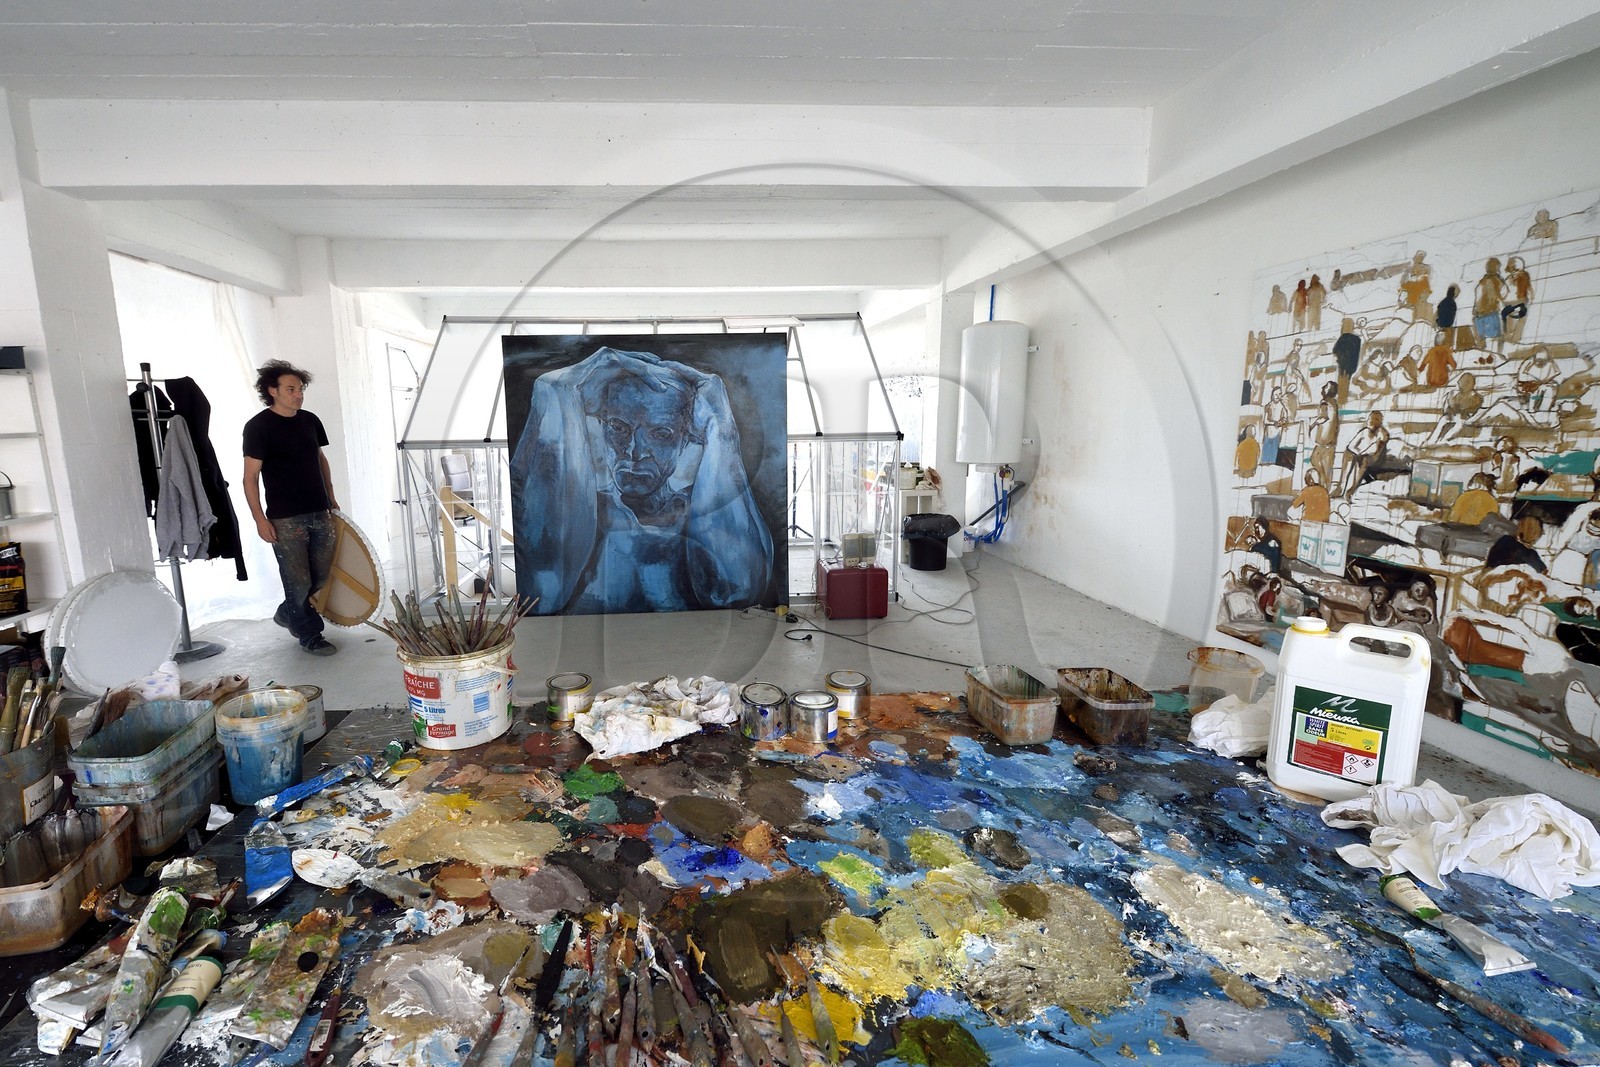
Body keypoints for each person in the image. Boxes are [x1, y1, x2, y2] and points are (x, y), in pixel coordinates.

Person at [511, 347, 773, 615]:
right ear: (601, 426)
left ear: (685, 440)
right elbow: (541, 596)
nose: (635, 451)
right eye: (618, 427)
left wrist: (720, 428)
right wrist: (555, 392)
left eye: (660, 433)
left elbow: (736, 593)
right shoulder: (579, 509)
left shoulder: (704, 513)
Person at [242, 360, 339, 656]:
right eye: (291, 389)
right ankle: (309, 634)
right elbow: (250, 477)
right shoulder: (258, 427)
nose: (298, 395)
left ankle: (288, 612)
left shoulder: (310, 420)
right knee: (297, 580)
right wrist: (260, 519)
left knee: (321, 576)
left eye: (300, 389)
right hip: (285, 518)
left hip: (319, 510)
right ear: (272, 390)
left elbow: (320, 459)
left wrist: (331, 496)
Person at [1334, 410, 1389, 499]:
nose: (1372, 421)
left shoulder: (1379, 436)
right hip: (1352, 453)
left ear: (1380, 423)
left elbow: (1385, 438)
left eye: (1376, 419)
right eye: (1370, 419)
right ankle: (1340, 488)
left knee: (1364, 461)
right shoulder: (1364, 431)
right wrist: (1358, 454)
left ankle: (1351, 491)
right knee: (1350, 456)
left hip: (1365, 457)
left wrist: (1382, 433)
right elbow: (1351, 447)